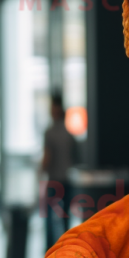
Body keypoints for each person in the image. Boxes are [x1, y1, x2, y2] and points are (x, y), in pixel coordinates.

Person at [41, 94, 79, 249]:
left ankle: (50, 245)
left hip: (54, 179)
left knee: (49, 215)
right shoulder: (69, 134)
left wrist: (41, 170)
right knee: (65, 215)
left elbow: (47, 157)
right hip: (67, 178)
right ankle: (66, 244)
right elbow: (76, 157)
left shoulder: (49, 132)